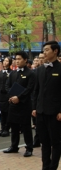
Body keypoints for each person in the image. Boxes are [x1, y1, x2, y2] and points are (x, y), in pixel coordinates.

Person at [32, 41, 61, 170]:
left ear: (55, 51)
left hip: (55, 113)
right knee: (44, 142)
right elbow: (36, 91)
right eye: (44, 50)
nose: (44, 52)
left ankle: (53, 167)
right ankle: (45, 166)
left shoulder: (60, 68)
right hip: (41, 112)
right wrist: (34, 107)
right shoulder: (40, 70)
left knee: (56, 142)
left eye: (47, 50)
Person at [3, 51, 35, 157]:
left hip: (24, 104)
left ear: (25, 60)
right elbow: (7, 86)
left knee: (26, 127)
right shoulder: (13, 73)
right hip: (13, 103)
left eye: (19, 59)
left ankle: (29, 147)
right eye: (16, 59)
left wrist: (19, 97)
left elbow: (29, 88)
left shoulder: (30, 73)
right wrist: (11, 97)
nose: (17, 61)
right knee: (14, 126)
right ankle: (14, 146)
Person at [0, 57, 12, 137]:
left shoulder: (11, 72)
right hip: (1, 94)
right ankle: (2, 128)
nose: (5, 62)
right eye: (4, 61)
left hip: (8, 94)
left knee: (8, 112)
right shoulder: (0, 73)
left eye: (7, 61)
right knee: (2, 112)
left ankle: (7, 128)